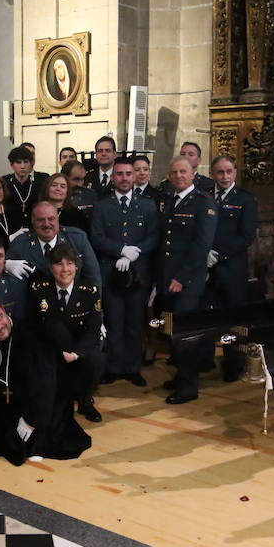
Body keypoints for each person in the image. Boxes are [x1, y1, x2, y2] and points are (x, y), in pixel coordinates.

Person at [0, 296, 91, 464]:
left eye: (0, 317)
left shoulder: (33, 335)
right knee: (1, 438)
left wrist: (31, 421)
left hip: (44, 404)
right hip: (9, 407)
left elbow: (46, 383)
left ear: (5, 311)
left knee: (35, 442)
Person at [90, 157, 159, 386]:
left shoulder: (148, 204)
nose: (124, 178)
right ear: (112, 177)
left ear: (134, 176)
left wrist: (135, 252)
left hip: (139, 274)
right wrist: (121, 250)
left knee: (134, 323)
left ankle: (132, 368)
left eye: (128, 174)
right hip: (110, 274)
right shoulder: (102, 205)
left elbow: (154, 236)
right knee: (114, 322)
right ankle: (114, 367)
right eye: (119, 174)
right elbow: (97, 237)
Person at [158, 156, 217, 404]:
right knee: (173, 332)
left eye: (183, 172)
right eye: (174, 173)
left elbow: (201, 245)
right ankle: (180, 376)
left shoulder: (204, 203)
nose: (179, 176)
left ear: (193, 173)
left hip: (187, 282)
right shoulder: (170, 200)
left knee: (187, 337)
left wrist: (181, 278)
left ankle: (188, 386)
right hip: (167, 279)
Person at [32, 244, 105, 422]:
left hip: (78, 347)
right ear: (51, 268)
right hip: (53, 346)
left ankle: (85, 401)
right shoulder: (39, 289)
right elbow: (36, 325)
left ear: (76, 267)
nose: (65, 269)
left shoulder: (89, 291)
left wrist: (75, 353)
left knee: (96, 358)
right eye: (59, 264)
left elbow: (94, 330)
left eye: (70, 263)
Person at [6, 199, 101, 287]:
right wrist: (5, 265)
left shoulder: (77, 239)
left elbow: (93, 277)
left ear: (57, 219)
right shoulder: (20, 243)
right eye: (41, 220)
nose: (47, 224)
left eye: (51, 219)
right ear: (33, 221)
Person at [208, 155, 257, 309]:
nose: (225, 177)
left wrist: (218, 253)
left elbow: (247, 236)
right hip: (204, 268)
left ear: (235, 172)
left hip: (232, 269)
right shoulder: (203, 196)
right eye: (220, 172)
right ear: (212, 174)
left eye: (229, 171)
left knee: (233, 317)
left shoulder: (245, 200)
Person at [4, 145, 48, 220]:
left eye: (26, 162)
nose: (22, 166)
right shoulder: (4, 182)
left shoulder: (39, 184)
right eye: (18, 162)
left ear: (31, 163)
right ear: (12, 165)